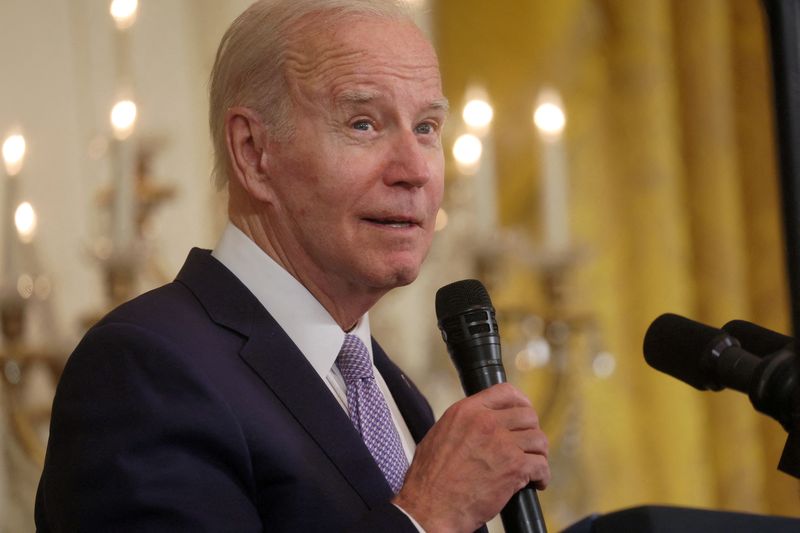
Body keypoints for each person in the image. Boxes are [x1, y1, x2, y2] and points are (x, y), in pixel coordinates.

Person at [34, 1, 550, 531]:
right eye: (364, 123)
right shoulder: (141, 368)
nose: (415, 170)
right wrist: (427, 516)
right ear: (253, 151)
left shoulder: (379, 378)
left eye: (426, 127)